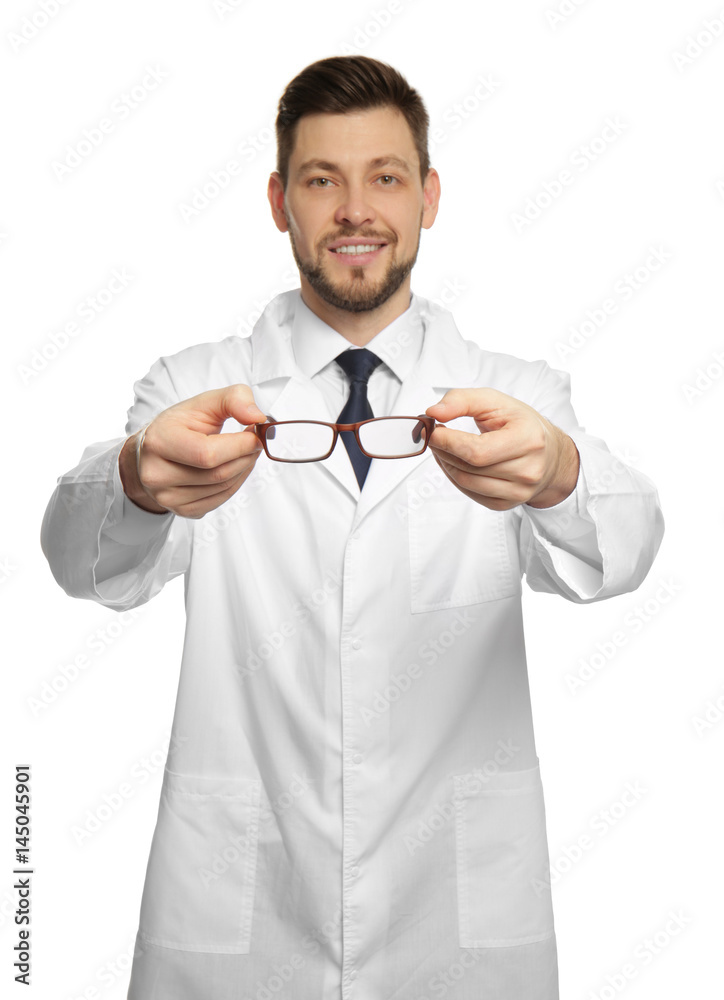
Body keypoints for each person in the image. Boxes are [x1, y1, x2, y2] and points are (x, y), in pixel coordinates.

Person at [40, 55, 664, 1000]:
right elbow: (76, 560)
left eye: (387, 177)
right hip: (242, 910)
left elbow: (627, 549)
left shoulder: (518, 396)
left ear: (429, 196)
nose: (356, 211)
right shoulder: (193, 388)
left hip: (453, 915)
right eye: (322, 180)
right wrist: (134, 477)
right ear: (279, 201)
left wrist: (557, 473)